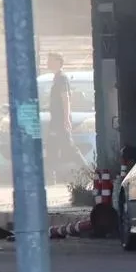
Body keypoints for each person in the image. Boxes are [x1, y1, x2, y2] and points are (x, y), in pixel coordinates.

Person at [45, 53, 87, 182]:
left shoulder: (62, 78)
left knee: (69, 147)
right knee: (51, 147)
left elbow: (66, 98)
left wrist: (66, 118)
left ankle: (88, 172)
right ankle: (50, 177)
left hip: (60, 120)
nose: (47, 63)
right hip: (55, 120)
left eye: (50, 60)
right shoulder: (56, 78)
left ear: (58, 62)